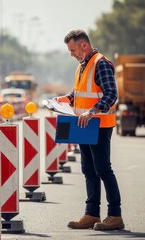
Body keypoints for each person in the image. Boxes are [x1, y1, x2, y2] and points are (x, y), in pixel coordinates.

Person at [56, 29, 124, 230]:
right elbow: (79, 93)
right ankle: (92, 213)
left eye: (73, 50)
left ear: (84, 45)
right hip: (84, 125)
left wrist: (92, 111)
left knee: (103, 169)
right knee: (89, 170)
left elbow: (111, 94)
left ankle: (115, 215)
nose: (72, 54)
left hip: (99, 125)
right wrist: (64, 99)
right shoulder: (83, 66)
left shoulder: (101, 63)